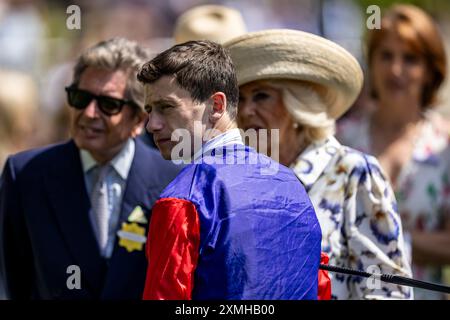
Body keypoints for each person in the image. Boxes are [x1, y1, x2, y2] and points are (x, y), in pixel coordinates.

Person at [225, 29, 412, 299]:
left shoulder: (353, 173)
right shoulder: (237, 179)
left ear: (297, 105)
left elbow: (389, 290)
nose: (246, 111)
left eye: (261, 96)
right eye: (240, 99)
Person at [137, 40, 327, 300]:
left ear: (216, 106)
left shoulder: (184, 198)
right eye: (149, 110)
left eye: (165, 107)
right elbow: (319, 288)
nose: (152, 125)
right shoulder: (291, 184)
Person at [0, 38, 180, 299]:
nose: (89, 113)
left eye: (108, 104)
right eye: (80, 98)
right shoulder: (26, 175)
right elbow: (14, 281)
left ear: (139, 119)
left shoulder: (173, 181)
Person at [336, 4, 450, 299]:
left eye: (410, 58)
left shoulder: (445, 144)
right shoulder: (340, 137)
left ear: (429, 70)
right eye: (386, 55)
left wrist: (388, 240)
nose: (396, 69)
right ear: (371, 63)